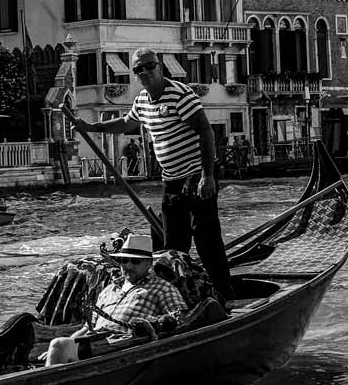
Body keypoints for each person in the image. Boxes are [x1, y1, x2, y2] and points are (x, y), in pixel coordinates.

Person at [71, 46, 232, 299]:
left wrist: (207, 175)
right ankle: (180, 295)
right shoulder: (142, 100)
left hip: (195, 176)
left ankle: (225, 293)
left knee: (207, 241)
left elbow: (206, 132)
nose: (144, 72)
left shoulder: (181, 95)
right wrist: (90, 126)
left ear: (159, 67)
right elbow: (126, 123)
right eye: (138, 69)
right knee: (173, 246)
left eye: (149, 66)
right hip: (171, 179)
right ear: (135, 75)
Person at [79, 233, 188, 340]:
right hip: (95, 341)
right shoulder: (108, 290)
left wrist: (156, 324)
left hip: (125, 344)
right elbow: (87, 328)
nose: (128, 265)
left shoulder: (162, 288)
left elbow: (179, 320)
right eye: (124, 261)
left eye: (135, 261)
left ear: (149, 264)